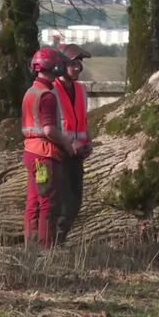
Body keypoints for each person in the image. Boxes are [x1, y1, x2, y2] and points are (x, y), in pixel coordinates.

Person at [22, 47, 79, 249]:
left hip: (30, 152)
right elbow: (49, 130)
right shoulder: (47, 95)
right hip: (44, 156)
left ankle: (31, 245)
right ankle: (46, 248)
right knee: (48, 201)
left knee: (33, 201)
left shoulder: (31, 92)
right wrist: (66, 143)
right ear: (54, 66)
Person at [52, 43, 93, 245]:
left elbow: (83, 119)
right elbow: (50, 124)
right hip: (58, 153)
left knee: (75, 201)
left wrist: (88, 141)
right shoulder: (52, 90)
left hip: (77, 154)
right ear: (61, 65)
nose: (77, 68)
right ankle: (53, 242)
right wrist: (69, 142)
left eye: (79, 64)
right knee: (61, 201)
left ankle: (61, 239)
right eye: (73, 64)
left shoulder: (80, 89)